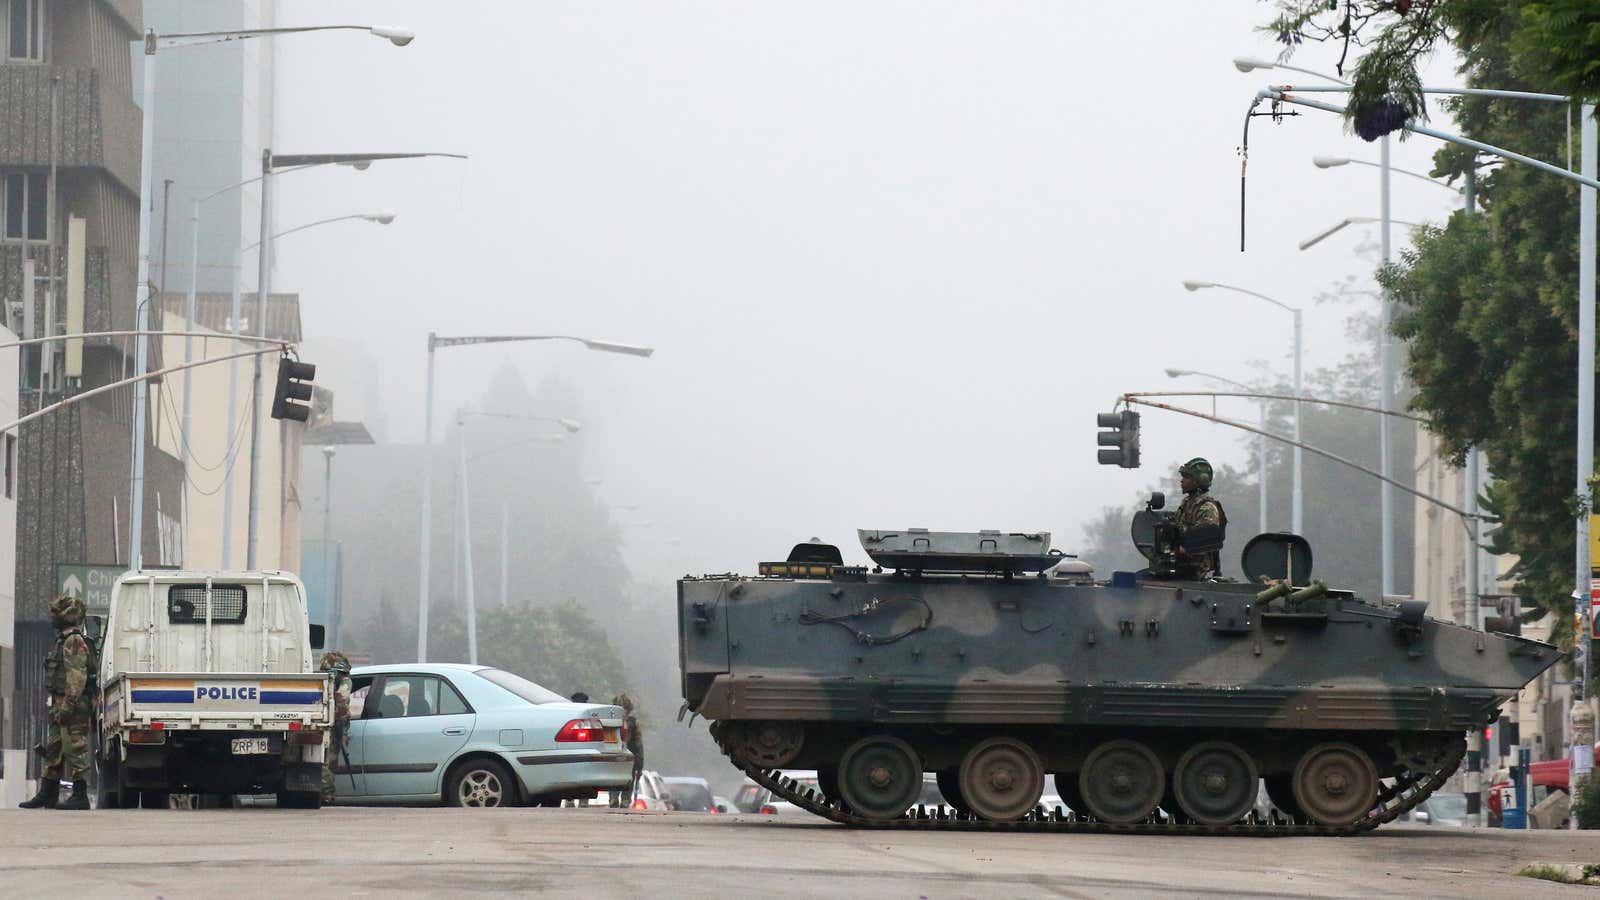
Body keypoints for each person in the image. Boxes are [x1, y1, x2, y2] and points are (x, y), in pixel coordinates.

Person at [20, 594, 94, 810]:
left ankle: (80, 796)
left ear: (66, 617)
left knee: (76, 748)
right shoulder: (62, 640)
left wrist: (68, 706)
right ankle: (47, 793)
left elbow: (76, 677)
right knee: (54, 749)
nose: (51, 618)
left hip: (72, 704)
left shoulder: (73, 641)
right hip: (60, 703)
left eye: (55, 614)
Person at [1174, 457, 1227, 579]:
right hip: (1180, 565)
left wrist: (1180, 549)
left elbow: (1203, 541)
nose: (1181, 481)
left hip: (1196, 569)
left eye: (1186, 478)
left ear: (1198, 481)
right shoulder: (1187, 504)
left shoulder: (1207, 508)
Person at [318, 650, 353, 805]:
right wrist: (344, 729)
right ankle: (327, 795)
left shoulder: (321, 680)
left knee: (323, 761)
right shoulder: (344, 680)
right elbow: (342, 700)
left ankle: (324, 794)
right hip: (333, 725)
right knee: (329, 762)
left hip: (319, 722)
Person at [610, 692, 643, 808]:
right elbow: (639, 744)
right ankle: (625, 800)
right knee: (629, 778)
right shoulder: (634, 722)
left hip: (614, 754)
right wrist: (640, 763)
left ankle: (614, 798)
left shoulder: (609, 720)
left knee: (613, 777)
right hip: (630, 755)